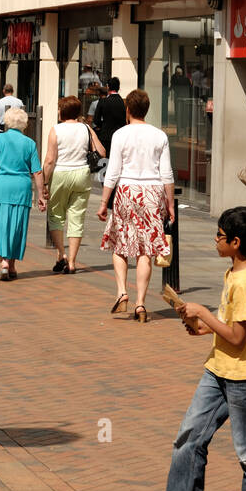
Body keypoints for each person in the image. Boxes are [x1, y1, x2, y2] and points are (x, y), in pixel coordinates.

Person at [159, 205, 246, 491]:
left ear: (236, 242)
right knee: (190, 434)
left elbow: (239, 339)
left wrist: (203, 313)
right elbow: (230, 326)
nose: (216, 240)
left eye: (220, 236)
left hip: (242, 376)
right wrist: (202, 327)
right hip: (218, 370)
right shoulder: (233, 275)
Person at [97, 88, 174, 322]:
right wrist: (170, 203)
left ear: (128, 110)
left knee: (121, 243)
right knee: (145, 250)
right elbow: (167, 173)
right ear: (147, 109)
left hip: (127, 191)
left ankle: (122, 291)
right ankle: (141, 303)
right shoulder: (159, 135)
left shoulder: (120, 135)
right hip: (152, 192)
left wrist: (103, 202)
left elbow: (112, 172)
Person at [0, 105, 45, 280]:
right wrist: (41, 195)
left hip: (0, 187)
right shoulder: (30, 143)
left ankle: (4, 263)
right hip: (21, 188)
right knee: (17, 226)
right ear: (24, 124)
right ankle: (13, 265)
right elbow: (37, 171)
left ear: (6, 122)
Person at [42, 96, 104, 274]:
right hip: (81, 174)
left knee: (56, 216)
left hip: (60, 173)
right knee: (77, 218)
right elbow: (101, 151)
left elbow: (50, 160)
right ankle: (72, 262)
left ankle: (61, 254)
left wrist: (45, 182)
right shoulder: (85, 128)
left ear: (62, 111)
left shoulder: (56, 130)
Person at [92, 77, 126, 159]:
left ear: (108, 87)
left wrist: (102, 125)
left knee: (106, 161)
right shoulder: (123, 102)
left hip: (105, 135)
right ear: (118, 87)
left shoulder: (103, 101)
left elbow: (96, 120)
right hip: (120, 135)